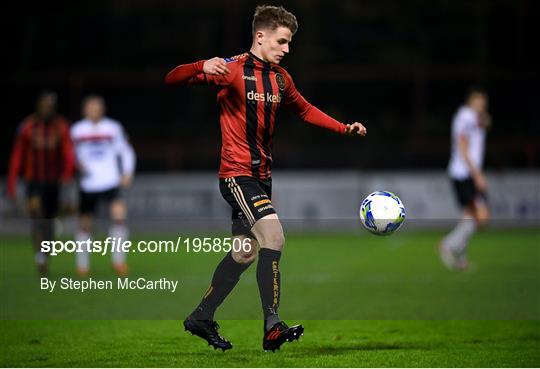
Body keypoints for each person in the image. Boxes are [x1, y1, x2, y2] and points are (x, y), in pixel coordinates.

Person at [165, 5, 366, 352]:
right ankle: (272, 324)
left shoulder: (280, 78)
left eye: (289, 43)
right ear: (261, 36)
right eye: (282, 41)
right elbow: (172, 79)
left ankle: (201, 316)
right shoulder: (230, 70)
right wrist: (200, 66)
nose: (287, 50)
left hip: (262, 176)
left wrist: (342, 127)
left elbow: (304, 109)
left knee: (244, 253)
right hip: (236, 174)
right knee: (274, 235)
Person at [6, 91, 75, 275]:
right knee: (37, 216)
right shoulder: (27, 127)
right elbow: (17, 156)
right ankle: (40, 257)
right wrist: (11, 184)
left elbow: (68, 152)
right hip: (33, 181)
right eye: (44, 105)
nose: (47, 109)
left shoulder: (61, 126)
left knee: (49, 222)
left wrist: (67, 175)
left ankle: (45, 253)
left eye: (50, 106)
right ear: (38, 106)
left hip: (53, 182)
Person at [70, 95, 136, 277]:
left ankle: (119, 262)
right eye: (91, 107)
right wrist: (75, 165)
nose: (94, 110)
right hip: (88, 183)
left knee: (119, 217)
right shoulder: (77, 130)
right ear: (84, 109)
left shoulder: (113, 128)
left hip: (110, 181)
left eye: (98, 106)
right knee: (85, 224)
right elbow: (69, 155)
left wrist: (128, 172)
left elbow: (126, 150)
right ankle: (82, 265)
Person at [440, 86, 491, 270]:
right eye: (478, 101)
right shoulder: (466, 117)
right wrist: (477, 175)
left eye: (484, 102)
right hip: (464, 174)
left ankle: (459, 257)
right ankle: (448, 245)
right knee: (481, 216)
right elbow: (462, 146)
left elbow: (485, 124)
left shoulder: (473, 117)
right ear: (470, 101)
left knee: (468, 216)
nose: (482, 105)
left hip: (466, 173)